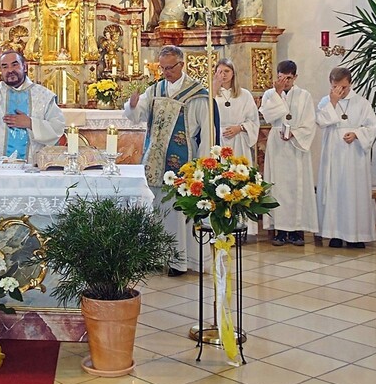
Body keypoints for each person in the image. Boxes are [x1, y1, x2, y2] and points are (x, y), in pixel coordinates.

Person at [124, 45, 218, 276]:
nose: (166, 72)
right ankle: (155, 256)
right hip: (155, 160)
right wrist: (134, 104)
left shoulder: (198, 94)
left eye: (170, 67)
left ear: (182, 64)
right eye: (162, 68)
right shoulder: (155, 90)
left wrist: (204, 164)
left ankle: (179, 261)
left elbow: (207, 132)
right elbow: (138, 115)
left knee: (178, 212)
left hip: (183, 162)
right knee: (155, 208)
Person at [0, 36, 65, 163]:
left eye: (14, 65)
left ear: (24, 67)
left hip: (32, 165)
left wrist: (31, 123)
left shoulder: (43, 96)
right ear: (0, 70)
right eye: (4, 66)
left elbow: (57, 129)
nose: (10, 70)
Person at [316, 67, 376, 249]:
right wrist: (333, 103)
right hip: (333, 153)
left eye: (343, 87)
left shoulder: (362, 103)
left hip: (354, 156)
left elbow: (371, 126)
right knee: (334, 190)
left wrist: (357, 134)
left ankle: (356, 236)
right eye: (335, 87)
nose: (339, 91)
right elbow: (320, 121)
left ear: (350, 83)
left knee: (354, 192)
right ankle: (334, 234)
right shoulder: (326, 102)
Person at [258, 60, 318, 246]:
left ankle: (296, 231)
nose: (285, 82)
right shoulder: (270, 94)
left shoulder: (304, 95)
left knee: (296, 186)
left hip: (296, 144)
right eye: (281, 78)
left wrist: (294, 133)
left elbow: (310, 122)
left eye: (289, 78)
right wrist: (277, 94)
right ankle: (280, 230)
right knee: (278, 186)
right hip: (277, 142)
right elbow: (268, 116)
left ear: (295, 77)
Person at [211, 58, 260, 235]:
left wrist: (239, 128)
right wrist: (214, 89)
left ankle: (241, 225)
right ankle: (219, 225)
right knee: (219, 180)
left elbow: (253, 120)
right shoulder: (210, 94)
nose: (223, 75)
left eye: (226, 71)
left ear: (233, 74)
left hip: (238, 141)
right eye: (219, 71)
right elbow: (204, 115)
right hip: (218, 141)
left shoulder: (244, 95)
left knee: (238, 181)